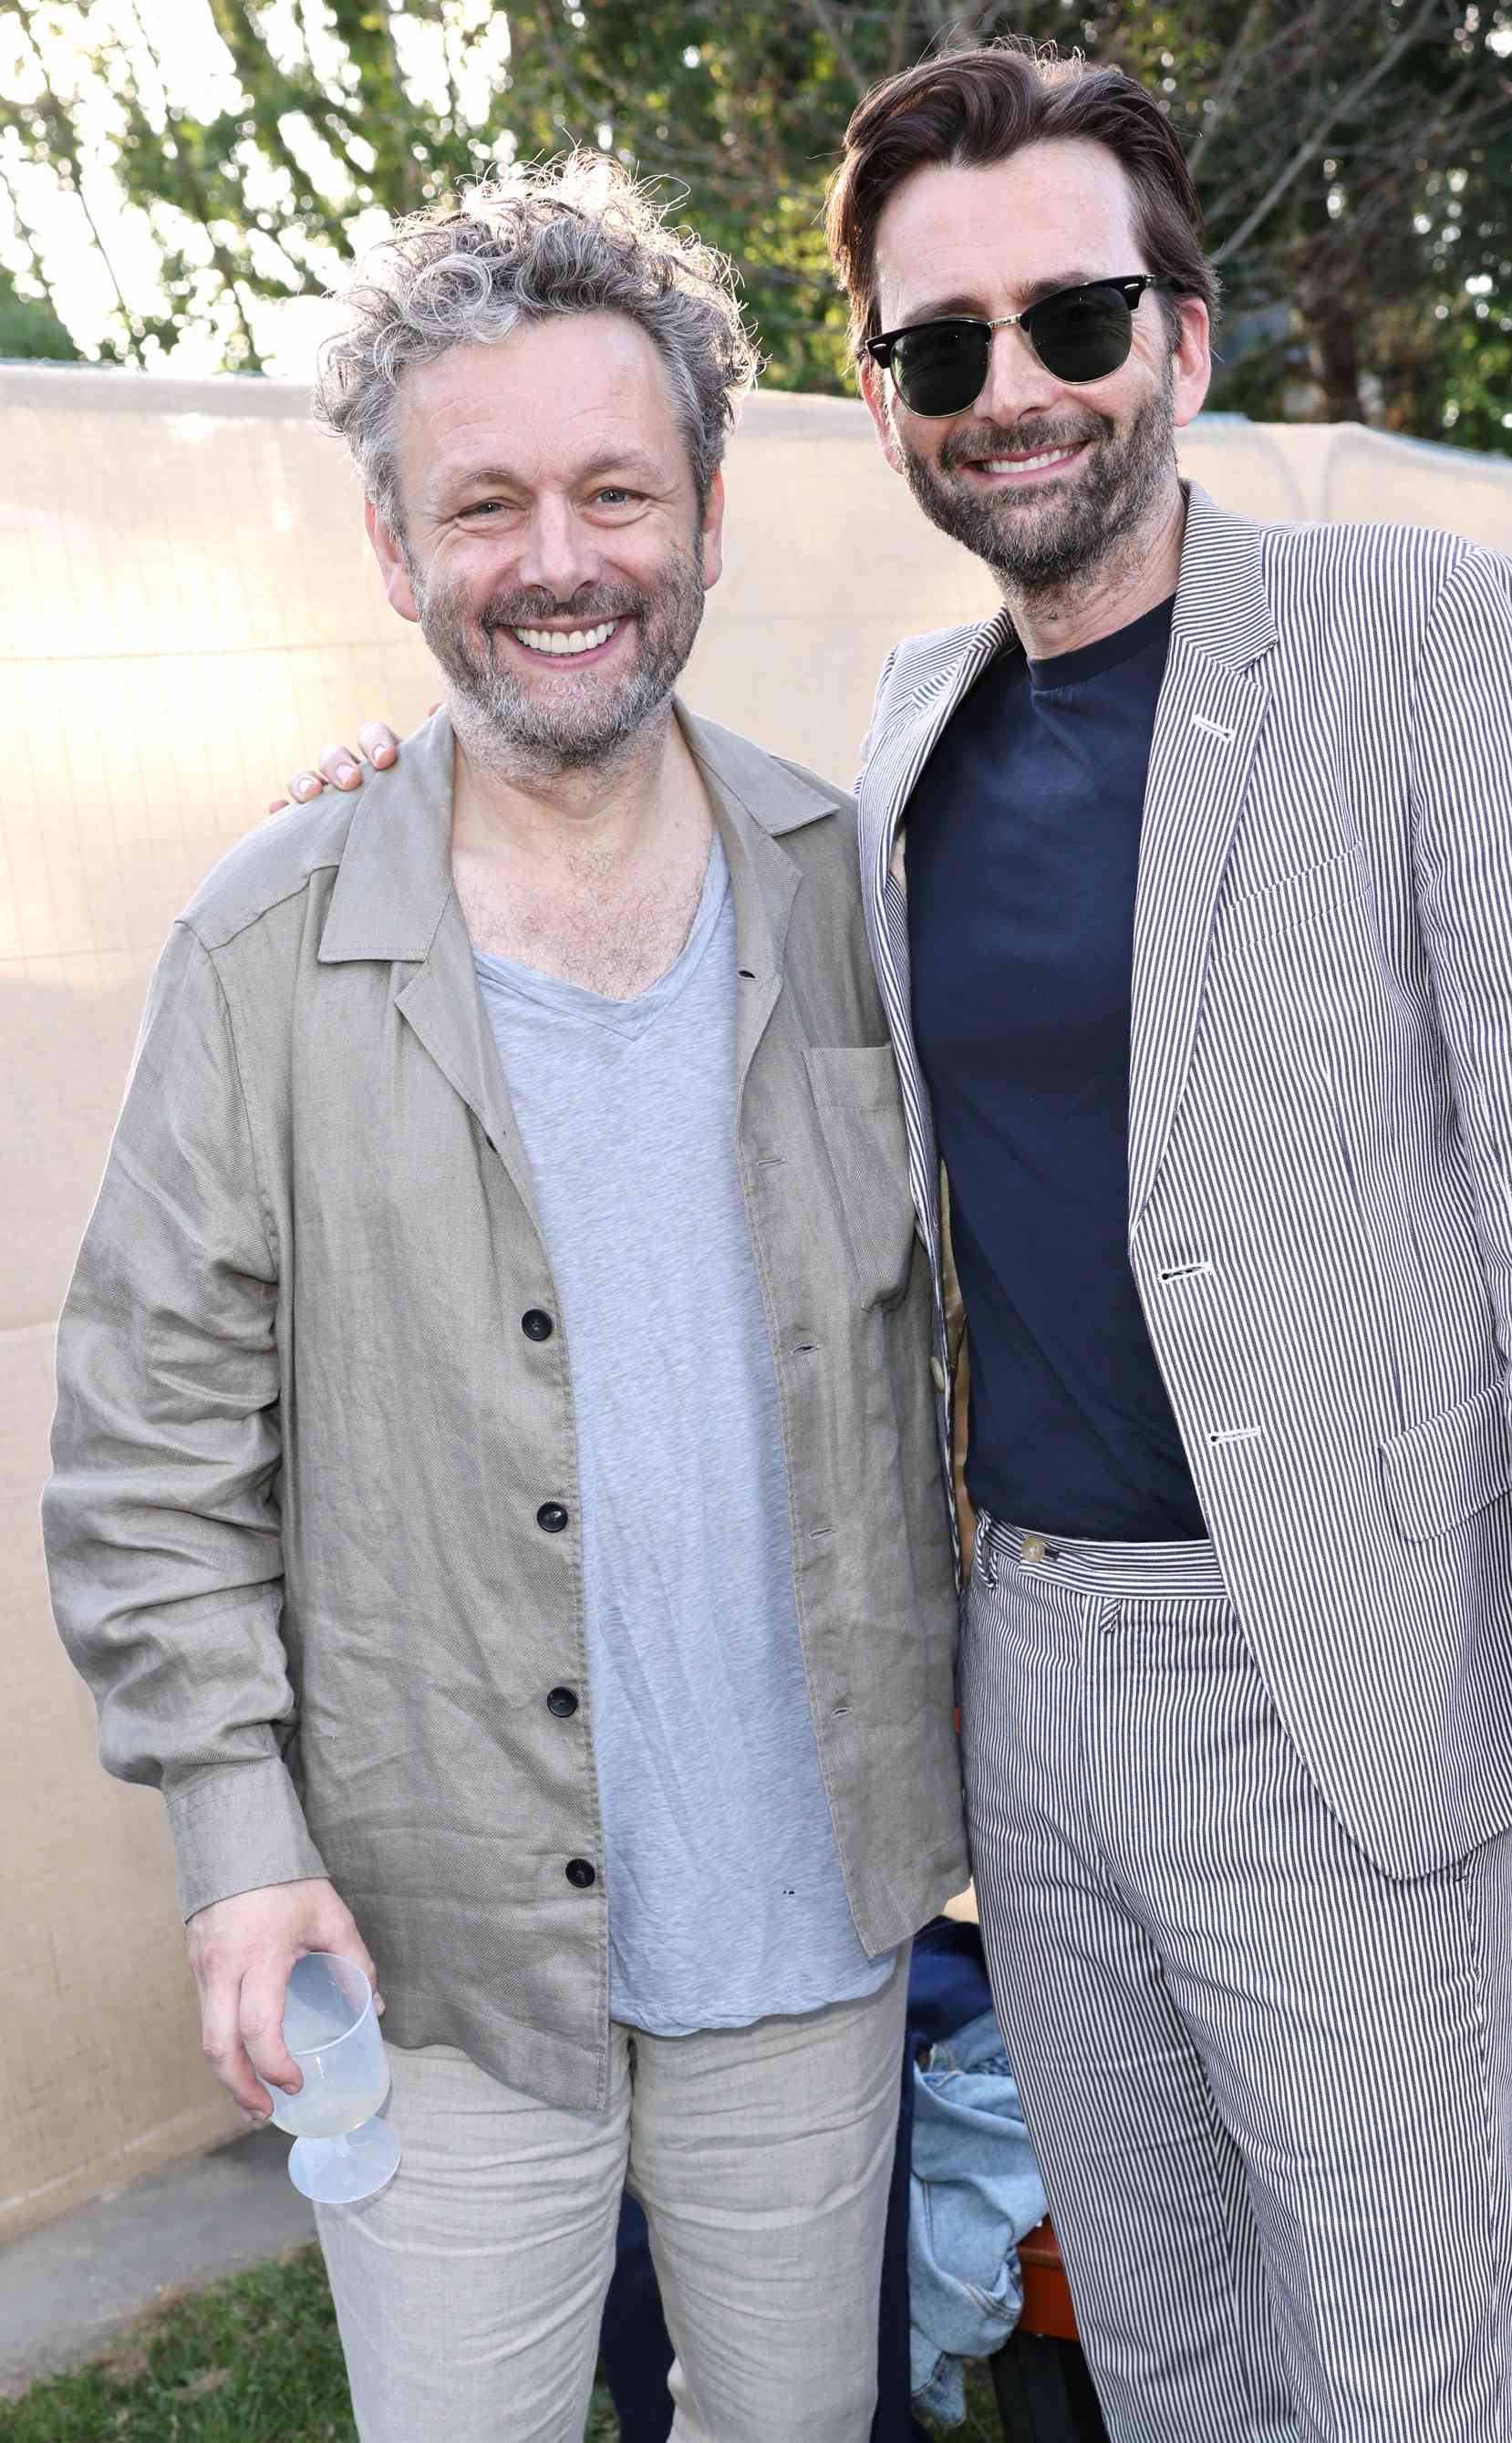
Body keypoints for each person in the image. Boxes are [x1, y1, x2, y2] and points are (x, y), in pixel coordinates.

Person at [276, 42, 1512, 2443]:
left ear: (1182, 333)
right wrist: (412, 796)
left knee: (1393, 2371)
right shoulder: (916, 730)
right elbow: (666, 900)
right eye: (943, 351)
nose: (1015, 392)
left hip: (1338, 1690)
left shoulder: (1413, 639)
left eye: (1068, 322)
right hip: (1032, 1685)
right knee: (1153, 2350)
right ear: (885, 397)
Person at [43, 156, 966, 2443]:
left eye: (612, 491)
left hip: (812, 1930)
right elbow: (151, 1446)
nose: (557, 561)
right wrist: (237, 1848)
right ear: (393, 550)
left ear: (712, 512)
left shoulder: (858, 888)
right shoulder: (265, 945)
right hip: (429, 1948)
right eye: (484, 506)